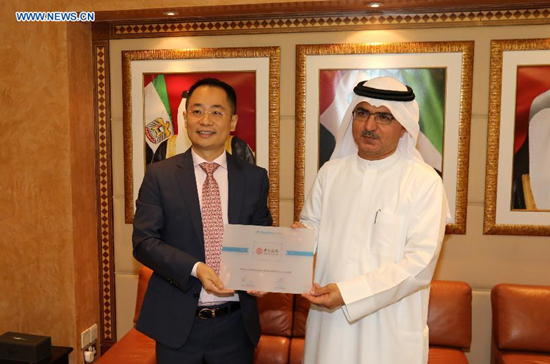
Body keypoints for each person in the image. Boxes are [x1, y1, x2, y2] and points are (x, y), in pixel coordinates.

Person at [294, 77, 450, 364]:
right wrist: (294, 242)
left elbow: (419, 264)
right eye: (362, 113)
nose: (369, 126)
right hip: (330, 324)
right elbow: (311, 226)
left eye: (384, 117)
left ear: (404, 125)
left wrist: (349, 293)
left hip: (388, 329)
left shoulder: (424, 182)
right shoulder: (331, 172)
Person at [132, 78, 273, 364]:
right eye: (197, 111)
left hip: (235, 327)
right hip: (177, 326)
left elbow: (262, 237)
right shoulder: (160, 175)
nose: (205, 120)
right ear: (185, 119)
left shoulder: (254, 177)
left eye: (216, 112)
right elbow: (144, 242)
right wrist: (196, 269)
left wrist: (263, 273)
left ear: (232, 121)